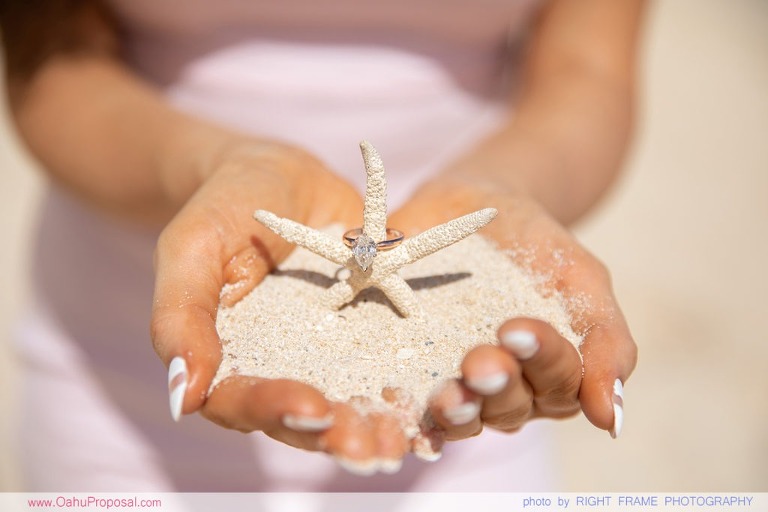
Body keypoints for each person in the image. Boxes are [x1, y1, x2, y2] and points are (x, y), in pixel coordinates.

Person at [0, 0, 642, 491]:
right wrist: (214, 163)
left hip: (462, 419)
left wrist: (499, 189)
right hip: (120, 387)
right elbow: (50, 69)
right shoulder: (351, 261)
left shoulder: (386, 268)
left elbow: (588, 70)